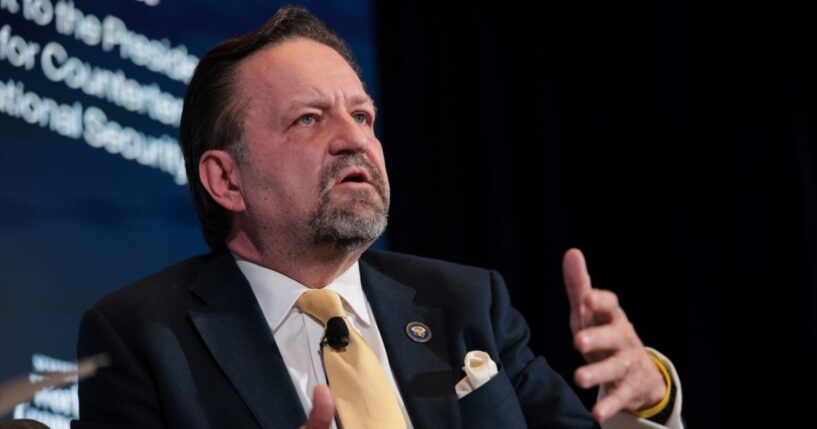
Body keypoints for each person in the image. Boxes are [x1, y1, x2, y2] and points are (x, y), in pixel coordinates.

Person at [72, 6, 683, 429]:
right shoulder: (142, 339)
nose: (354, 140)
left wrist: (649, 403)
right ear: (226, 180)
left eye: (362, 116)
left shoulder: (466, 305)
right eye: (308, 119)